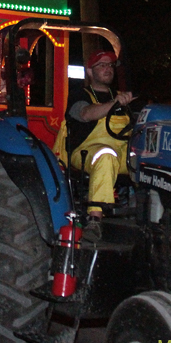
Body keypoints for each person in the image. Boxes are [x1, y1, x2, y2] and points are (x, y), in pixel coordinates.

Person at [56, 51, 134, 243]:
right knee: (105, 155)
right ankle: (95, 220)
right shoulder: (79, 95)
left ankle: (158, 218)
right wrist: (114, 103)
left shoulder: (122, 98)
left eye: (110, 65)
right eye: (102, 65)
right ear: (90, 71)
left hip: (122, 152)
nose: (108, 68)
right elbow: (85, 114)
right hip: (86, 152)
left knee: (151, 160)